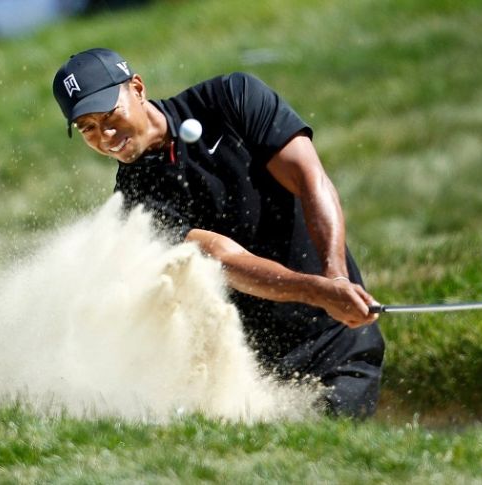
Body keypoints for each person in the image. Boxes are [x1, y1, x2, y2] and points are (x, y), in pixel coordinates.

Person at [52, 48, 385, 418]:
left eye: (109, 115)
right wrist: (315, 290)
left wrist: (335, 276)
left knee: (332, 439)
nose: (106, 136)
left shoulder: (232, 99)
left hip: (336, 336)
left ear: (138, 88)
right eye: (88, 128)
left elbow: (309, 178)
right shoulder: (136, 206)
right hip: (258, 371)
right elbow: (224, 260)